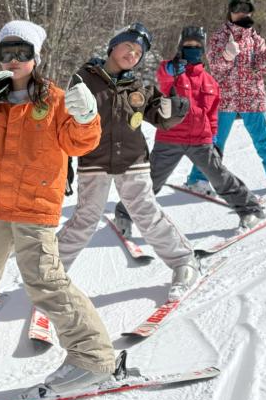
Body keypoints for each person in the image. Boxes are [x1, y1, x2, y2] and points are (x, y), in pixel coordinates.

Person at [0, 20, 117, 394]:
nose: (13, 61)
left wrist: (88, 117)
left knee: (44, 281)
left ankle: (93, 356)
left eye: (21, 53)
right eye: (5, 53)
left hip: (34, 206)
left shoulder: (55, 99)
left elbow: (79, 145)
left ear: (35, 58)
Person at [55, 23, 200, 302]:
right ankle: (52, 274)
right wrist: (65, 167)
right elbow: (65, 123)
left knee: (146, 213)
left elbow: (160, 116)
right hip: (93, 161)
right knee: (85, 219)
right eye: (128, 47)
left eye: (138, 53)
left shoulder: (137, 86)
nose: (132, 54)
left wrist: (173, 110)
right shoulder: (83, 79)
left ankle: (184, 261)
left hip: (133, 161)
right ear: (113, 46)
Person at [114, 26, 266, 230]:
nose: (192, 49)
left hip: (201, 141)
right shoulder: (171, 70)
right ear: (180, 47)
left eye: (196, 46)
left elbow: (213, 116)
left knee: (221, 178)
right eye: (188, 45)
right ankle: (124, 215)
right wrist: (172, 69)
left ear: (202, 49)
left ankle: (250, 210)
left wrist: (214, 141)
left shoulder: (210, 81)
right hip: (170, 138)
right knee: (151, 181)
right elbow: (163, 75)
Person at [185, 0, 266, 194]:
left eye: (246, 8)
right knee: (213, 141)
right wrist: (227, 54)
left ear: (251, 12)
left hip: (252, 97)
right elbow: (216, 68)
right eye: (237, 8)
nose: (241, 13)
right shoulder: (219, 37)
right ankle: (198, 179)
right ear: (230, 12)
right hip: (224, 98)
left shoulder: (256, 40)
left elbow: (265, 67)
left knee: (263, 138)